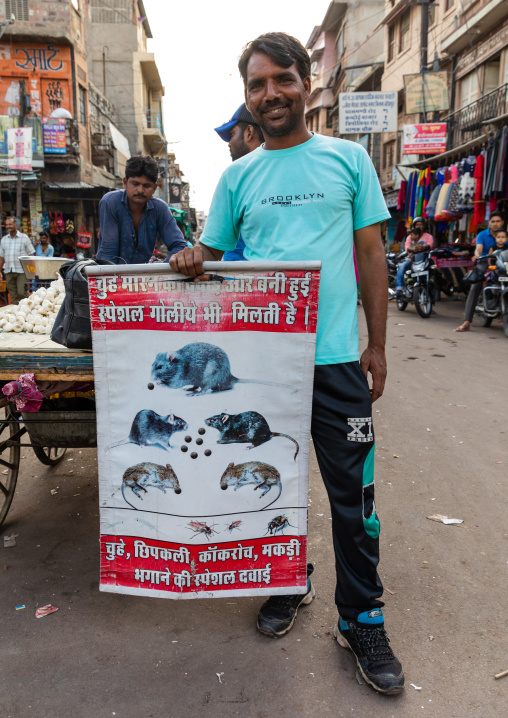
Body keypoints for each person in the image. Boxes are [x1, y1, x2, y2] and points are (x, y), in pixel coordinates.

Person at [169, 32, 403, 695]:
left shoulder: (349, 160)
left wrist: (376, 345)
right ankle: (285, 579)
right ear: (246, 98)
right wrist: (192, 256)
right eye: (256, 84)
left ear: (306, 84)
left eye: (282, 79)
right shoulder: (238, 177)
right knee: (263, 481)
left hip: (334, 366)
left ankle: (361, 619)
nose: (270, 93)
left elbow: (371, 256)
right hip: (262, 368)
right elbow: (209, 254)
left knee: (355, 502)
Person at [96, 155, 186, 264]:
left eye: (146, 186)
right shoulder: (110, 202)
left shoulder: (160, 209)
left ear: (154, 188)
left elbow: (179, 246)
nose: (140, 190)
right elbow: (108, 253)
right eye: (135, 184)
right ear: (125, 182)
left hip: (144, 275)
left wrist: (162, 268)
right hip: (111, 273)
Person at [214, 103, 264, 260]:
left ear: (249, 132)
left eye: (232, 134)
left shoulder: (236, 179)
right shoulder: (235, 179)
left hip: (245, 280)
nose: (229, 143)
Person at [455, 212, 505, 332]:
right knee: (475, 285)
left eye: (498, 221)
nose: (495, 224)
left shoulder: (505, 235)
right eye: (492, 221)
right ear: (489, 223)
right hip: (485, 262)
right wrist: (477, 256)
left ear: (502, 223)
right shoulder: (482, 234)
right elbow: (479, 249)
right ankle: (467, 322)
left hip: (503, 264)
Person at [0, 217, 35, 304]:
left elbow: (31, 254)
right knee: (13, 295)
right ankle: (18, 315)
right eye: (7, 225)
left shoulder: (24, 238)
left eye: (10, 224)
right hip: (9, 271)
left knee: (21, 292)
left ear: (16, 225)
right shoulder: (4, 240)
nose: (8, 226)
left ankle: (28, 308)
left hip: (22, 271)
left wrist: (32, 270)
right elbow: (2, 257)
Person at [396, 227, 424, 292]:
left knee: (401, 266)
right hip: (411, 260)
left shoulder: (422, 243)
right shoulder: (412, 244)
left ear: (417, 235)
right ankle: (399, 288)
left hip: (419, 262)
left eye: (412, 235)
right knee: (401, 267)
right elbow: (408, 250)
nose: (410, 236)